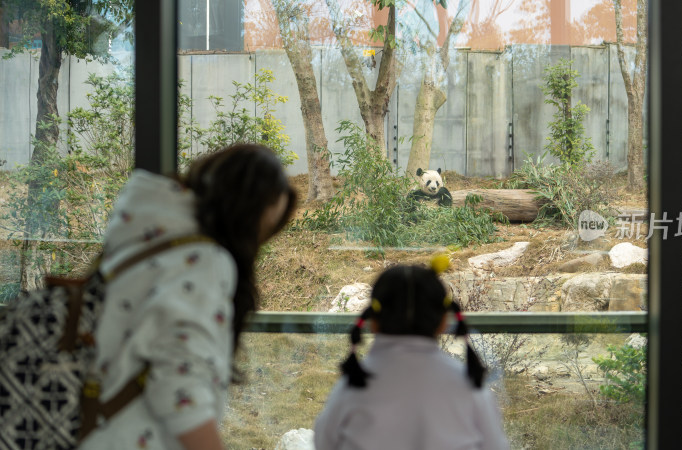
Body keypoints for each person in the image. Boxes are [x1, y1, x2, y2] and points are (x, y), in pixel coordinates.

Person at [79, 143, 296, 450]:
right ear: (242, 212)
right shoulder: (203, 260)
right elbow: (180, 385)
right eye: (260, 229)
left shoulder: (145, 238)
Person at [314, 258, 510, 450]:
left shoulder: (353, 386)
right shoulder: (469, 386)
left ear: (372, 321)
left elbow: (323, 442)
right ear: (444, 322)